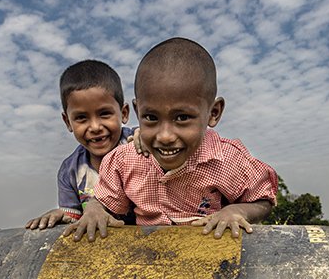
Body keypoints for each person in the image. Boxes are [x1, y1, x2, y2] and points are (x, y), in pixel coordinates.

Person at [65, 37, 277, 242]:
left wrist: (236, 211)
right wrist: (94, 211)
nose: (165, 136)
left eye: (182, 118)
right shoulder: (125, 161)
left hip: (210, 255)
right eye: (151, 118)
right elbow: (104, 202)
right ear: (138, 112)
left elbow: (262, 200)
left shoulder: (228, 160)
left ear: (213, 112)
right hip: (147, 256)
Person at [25, 60, 133, 229]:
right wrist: (62, 214)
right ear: (68, 122)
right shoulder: (70, 171)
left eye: (104, 114)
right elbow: (75, 216)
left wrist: (147, 141)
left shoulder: (138, 144)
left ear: (124, 113)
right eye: (81, 118)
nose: (95, 127)